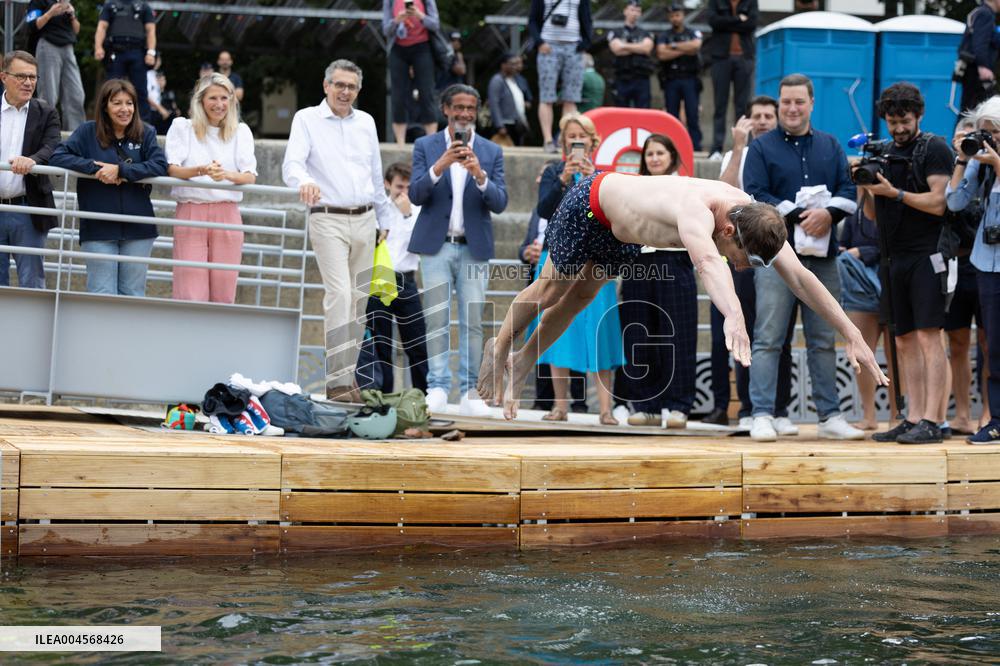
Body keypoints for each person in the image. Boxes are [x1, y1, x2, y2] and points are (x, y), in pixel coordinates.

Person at [477, 173, 888, 420]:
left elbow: (800, 277)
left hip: (621, 235)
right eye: (744, 259)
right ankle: (501, 346)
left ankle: (523, 359)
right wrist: (734, 315)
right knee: (551, 289)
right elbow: (709, 264)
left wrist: (851, 333)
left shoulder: (757, 220)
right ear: (728, 232)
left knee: (579, 298)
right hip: (590, 205)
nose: (745, 267)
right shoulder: (697, 211)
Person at [743, 74, 864, 441]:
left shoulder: (831, 144)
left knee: (824, 337)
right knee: (768, 337)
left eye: (799, 102)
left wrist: (827, 214)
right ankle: (761, 413)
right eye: (786, 102)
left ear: (811, 103)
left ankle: (830, 416)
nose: (792, 108)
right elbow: (754, 193)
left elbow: (849, 192)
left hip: (824, 257)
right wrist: (797, 214)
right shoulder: (761, 147)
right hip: (776, 257)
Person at [282, 59, 401, 402]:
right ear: (326, 86)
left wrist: (385, 219)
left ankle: (348, 380)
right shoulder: (306, 118)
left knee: (359, 303)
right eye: (339, 84)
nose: (345, 91)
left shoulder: (366, 122)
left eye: (351, 86)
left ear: (358, 90)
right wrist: (304, 181)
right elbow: (292, 164)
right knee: (340, 295)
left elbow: (375, 174)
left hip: (366, 219)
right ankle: (336, 382)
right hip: (327, 217)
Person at [856, 83, 953, 444]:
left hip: (928, 253)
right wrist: (867, 187)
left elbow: (939, 203)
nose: (898, 128)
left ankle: (934, 419)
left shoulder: (934, 148)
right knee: (903, 340)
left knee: (929, 336)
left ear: (919, 115)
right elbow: (871, 215)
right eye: (892, 122)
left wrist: (894, 193)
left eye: (905, 121)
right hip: (893, 255)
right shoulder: (883, 152)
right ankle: (913, 417)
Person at [408, 84, 508, 415]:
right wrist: (440, 166)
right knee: (436, 318)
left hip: (473, 248)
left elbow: (500, 202)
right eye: (459, 107)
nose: (465, 114)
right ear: (446, 109)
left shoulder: (491, 151)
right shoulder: (425, 145)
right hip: (435, 247)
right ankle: (437, 387)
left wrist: (479, 175)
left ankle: (470, 391)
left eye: (470, 108)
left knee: (474, 322)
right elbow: (415, 195)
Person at [530, 113, 622, 424]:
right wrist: (562, 180)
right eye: (571, 136)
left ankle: (606, 409)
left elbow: (614, 217)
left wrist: (592, 179)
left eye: (581, 136)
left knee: (600, 330)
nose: (576, 141)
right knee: (555, 328)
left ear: (593, 142)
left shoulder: (606, 176)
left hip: (597, 260)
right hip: (557, 258)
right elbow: (544, 210)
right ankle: (560, 406)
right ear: (563, 142)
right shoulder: (552, 172)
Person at [712, 94, 797, 433]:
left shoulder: (783, 152)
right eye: (756, 116)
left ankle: (780, 409)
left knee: (779, 334)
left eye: (767, 116)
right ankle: (749, 407)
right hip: (740, 253)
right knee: (746, 328)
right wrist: (738, 147)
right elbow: (723, 189)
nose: (762, 121)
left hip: (774, 250)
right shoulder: (741, 153)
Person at [49, 78, 167, 296]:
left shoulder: (146, 132)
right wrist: (94, 168)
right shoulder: (87, 131)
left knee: (132, 294)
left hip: (138, 228)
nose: (125, 109)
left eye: (129, 103)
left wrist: (121, 171)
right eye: (117, 103)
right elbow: (57, 156)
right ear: (105, 106)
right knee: (101, 293)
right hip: (98, 228)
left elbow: (160, 165)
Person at [619, 133, 697, 429]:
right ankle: (646, 405)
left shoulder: (685, 187)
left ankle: (679, 406)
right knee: (639, 334)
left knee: (678, 336)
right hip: (638, 265)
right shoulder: (633, 188)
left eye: (660, 153)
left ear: (672, 157)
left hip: (674, 261)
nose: (654, 159)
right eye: (649, 154)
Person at [165, 73, 256, 305]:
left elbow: (249, 175)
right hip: (191, 210)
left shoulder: (240, 131)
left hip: (227, 212)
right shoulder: (183, 127)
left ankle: (220, 329)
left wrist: (224, 174)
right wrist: (202, 170)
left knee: (224, 289)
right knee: (190, 289)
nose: (219, 104)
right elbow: (172, 168)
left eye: (224, 98)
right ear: (201, 101)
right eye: (213, 98)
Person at [947, 95, 1000, 444]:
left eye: (995, 132)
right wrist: (963, 159)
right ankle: (996, 419)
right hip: (986, 261)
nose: (989, 138)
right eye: (984, 132)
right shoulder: (980, 163)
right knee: (993, 345)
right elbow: (954, 202)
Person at [519, 161, 588, 413]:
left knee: (570, 330)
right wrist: (526, 252)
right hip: (541, 274)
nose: (542, 181)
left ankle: (579, 401)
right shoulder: (539, 211)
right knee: (542, 335)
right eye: (542, 176)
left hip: (570, 267)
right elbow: (525, 244)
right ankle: (543, 399)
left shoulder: (576, 198)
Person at [356, 162, 429, 394]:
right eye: (399, 186)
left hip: (407, 280)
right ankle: (383, 395)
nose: (403, 192)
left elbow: (420, 244)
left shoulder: (417, 210)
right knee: (381, 344)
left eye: (408, 187)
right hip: (379, 280)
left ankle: (422, 395)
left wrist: (407, 214)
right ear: (388, 184)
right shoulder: (377, 210)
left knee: (417, 343)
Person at [0, 51, 61, 290]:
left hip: (28, 207)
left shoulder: (46, 112)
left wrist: (32, 161)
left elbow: (53, 145)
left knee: (32, 283)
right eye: (21, 76)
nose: (28, 83)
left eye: (33, 77)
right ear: (4, 77)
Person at [837, 205, 885, 432]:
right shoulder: (853, 215)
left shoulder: (893, 202)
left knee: (899, 354)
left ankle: (898, 415)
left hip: (892, 282)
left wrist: (863, 252)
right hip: (859, 290)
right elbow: (842, 245)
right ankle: (868, 416)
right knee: (862, 353)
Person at [527, 0, 593, 153]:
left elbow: (587, 19)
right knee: (547, 96)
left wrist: (585, 43)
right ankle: (548, 140)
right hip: (548, 46)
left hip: (574, 46)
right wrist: (539, 42)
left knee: (571, 97)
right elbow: (532, 20)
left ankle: (566, 140)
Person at [382, 0, 440, 144]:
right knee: (398, 95)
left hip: (422, 47)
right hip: (398, 48)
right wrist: (397, 20)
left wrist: (420, 15)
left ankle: (431, 140)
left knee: (426, 93)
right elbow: (386, 30)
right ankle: (400, 142)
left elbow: (435, 25)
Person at [705, 0, 757, 160]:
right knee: (720, 105)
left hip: (744, 58)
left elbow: (751, 24)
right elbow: (713, 22)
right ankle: (716, 149)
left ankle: (743, 147)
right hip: (721, 58)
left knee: (743, 106)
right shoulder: (716, 1)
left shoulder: (750, 1)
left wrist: (727, 23)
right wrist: (738, 19)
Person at [94, 0, 157, 123]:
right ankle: (106, 122)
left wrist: (151, 52)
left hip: (137, 51)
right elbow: (102, 27)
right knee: (111, 89)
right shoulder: (110, 5)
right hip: (116, 51)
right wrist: (98, 47)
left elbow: (151, 30)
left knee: (140, 91)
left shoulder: (144, 6)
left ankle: (143, 124)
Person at [26, 0, 85, 131]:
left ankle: (76, 134)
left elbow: (77, 30)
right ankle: (45, 132)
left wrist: (72, 15)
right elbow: (32, 25)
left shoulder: (66, 2)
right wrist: (50, 13)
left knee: (76, 94)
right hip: (48, 45)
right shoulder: (38, 2)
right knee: (48, 94)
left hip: (68, 48)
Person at [656, 3, 703, 152]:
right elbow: (662, 54)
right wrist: (685, 49)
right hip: (671, 79)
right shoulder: (664, 35)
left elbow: (696, 46)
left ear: (683, 15)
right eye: (672, 16)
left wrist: (673, 46)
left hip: (690, 78)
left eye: (677, 15)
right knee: (672, 116)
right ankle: (672, 146)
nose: (675, 18)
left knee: (692, 115)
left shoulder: (692, 32)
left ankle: (695, 147)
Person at [606, 0, 654, 109]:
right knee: (621, 111)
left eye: (637, 11)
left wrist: (624, 45)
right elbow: (617, 49)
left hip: (641, 78)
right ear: (625, 11)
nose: (634, 13)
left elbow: (646, 48)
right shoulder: (616, 32)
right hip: (622, 77)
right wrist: (639, 47)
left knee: (643, 111)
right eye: (632, 10)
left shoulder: (645, 33)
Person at [957, 0, 999, 116]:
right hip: (977, 72)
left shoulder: (979, 12)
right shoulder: (985, 14)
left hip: (973, 70)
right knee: (975, 111)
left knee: (971, 110)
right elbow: (980, 43)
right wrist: (983, 66)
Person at [488, 53, 531, 146]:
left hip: (516, 123)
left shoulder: (515, 80)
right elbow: (494, 104)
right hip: (505, 124)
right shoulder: (497, 80)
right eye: (512, 64)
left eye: (516, 64)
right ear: (503, 65)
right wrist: (499, 125)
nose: (515, 67)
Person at [149, 69, 180, 135]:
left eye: (163, 80)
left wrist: (175, 111)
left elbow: (174, 106)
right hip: (157, 121)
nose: (161, 82)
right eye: (159, 80)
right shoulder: (153, 95)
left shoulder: (169, 93)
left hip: (169, 121)